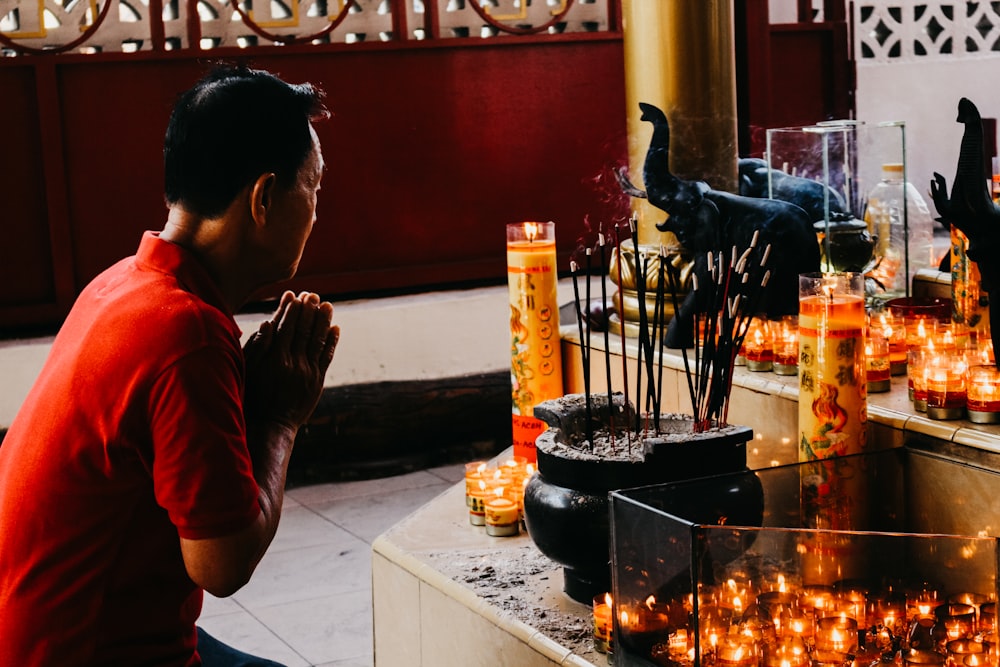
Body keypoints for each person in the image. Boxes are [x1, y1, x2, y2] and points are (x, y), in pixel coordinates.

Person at [0, 64, 338, 666]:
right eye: (313, 187)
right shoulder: (188, 334)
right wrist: (280, 420)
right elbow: (221, 564)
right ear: (263, 198)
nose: (316, 211)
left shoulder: (119, 284)